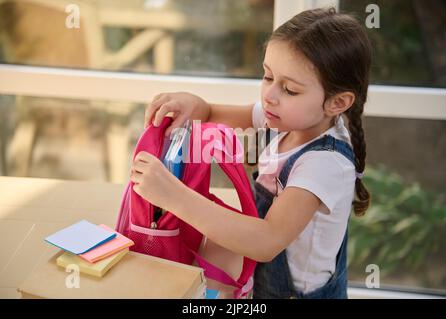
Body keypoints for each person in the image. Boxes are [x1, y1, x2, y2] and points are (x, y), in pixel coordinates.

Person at [130, 7, 372, 299]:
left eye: (289, 89)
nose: (269, 95)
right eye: (267, 77)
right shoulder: (291, 119)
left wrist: (173, 196)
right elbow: (213, 113)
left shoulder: (324, 163)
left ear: (337, 102)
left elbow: (267, 241)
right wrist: (195, 105)